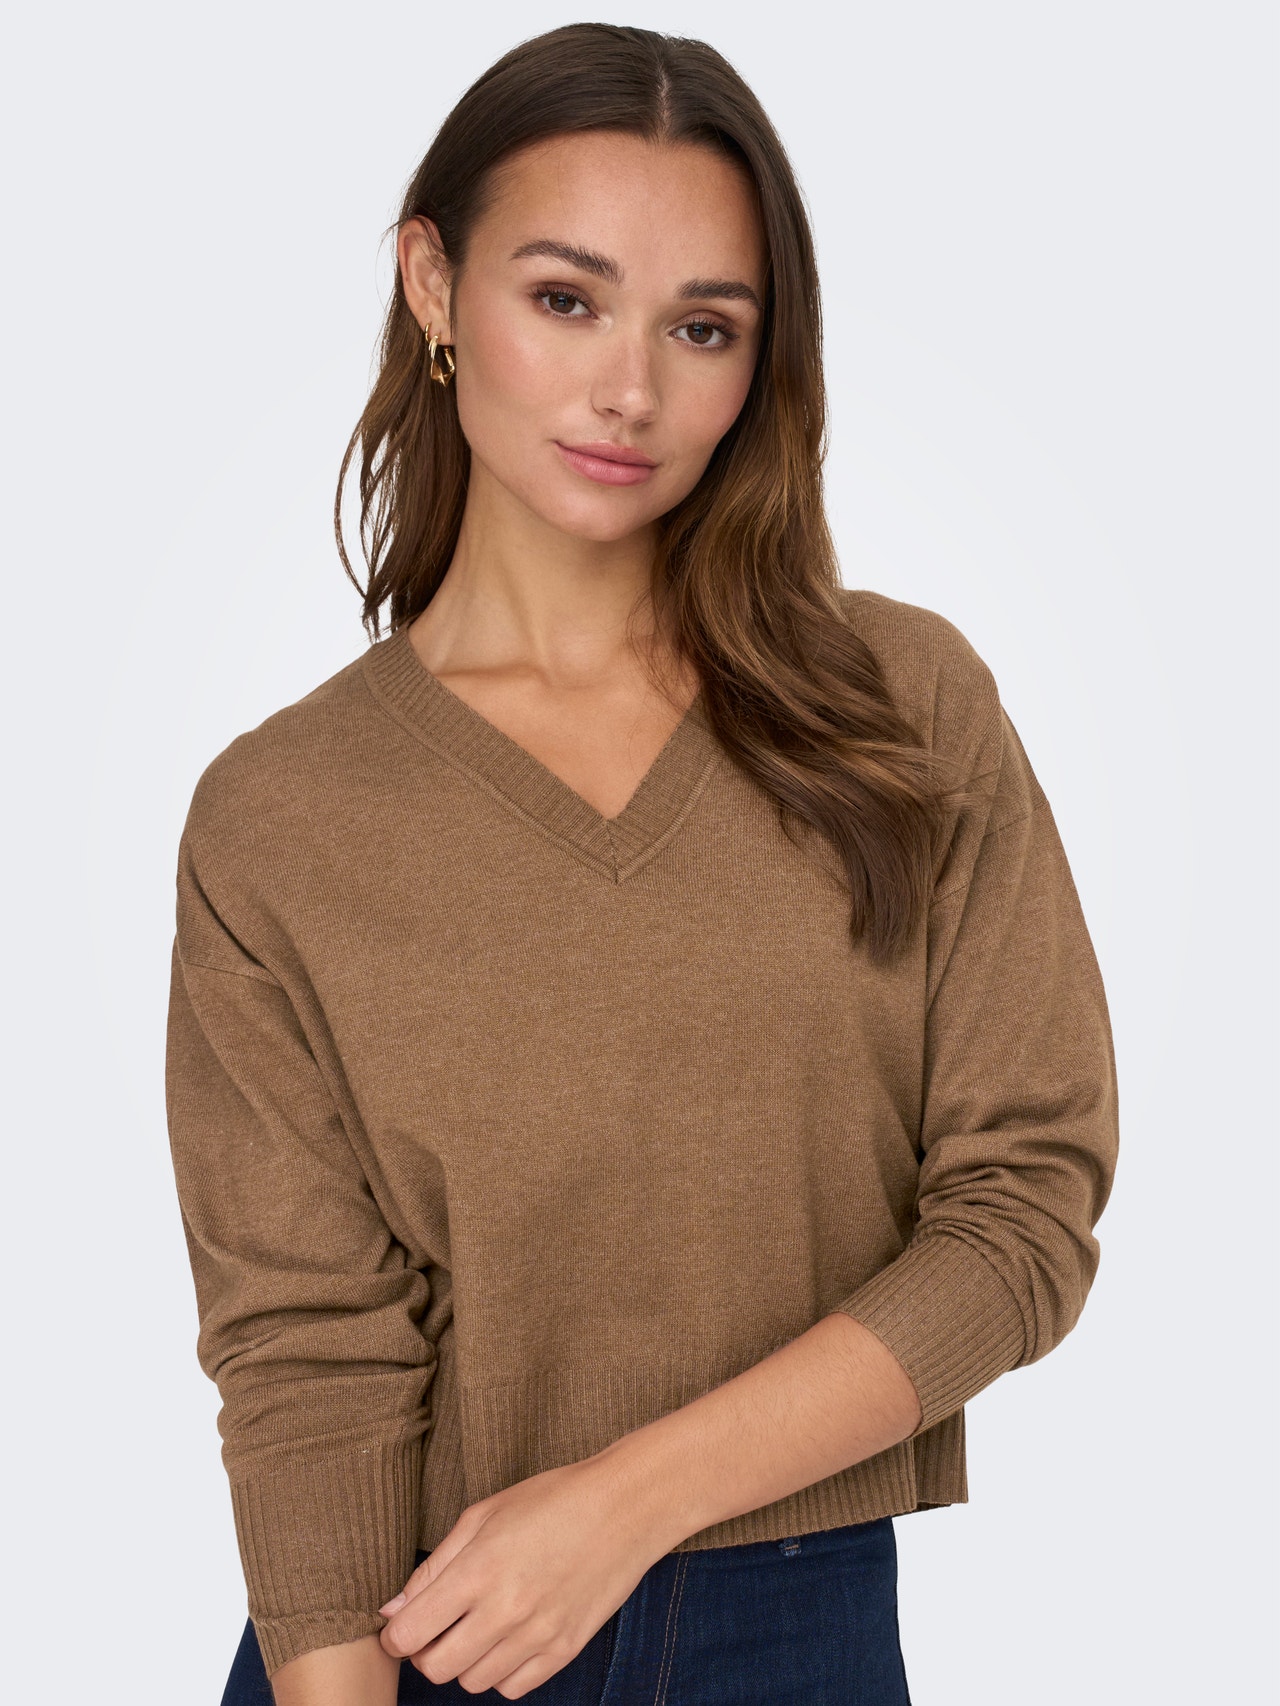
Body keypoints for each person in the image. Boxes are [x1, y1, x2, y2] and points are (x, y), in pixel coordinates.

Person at [164, 23, 1120, 1706]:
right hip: (412, 1640)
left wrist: (624, 1502)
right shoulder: (282, 815)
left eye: (703, 327)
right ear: (433, 285)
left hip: (796, 1628)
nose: (631, 391)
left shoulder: (901, 709)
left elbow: (1024, 1210)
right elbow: (307, 1360)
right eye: (566, 299)